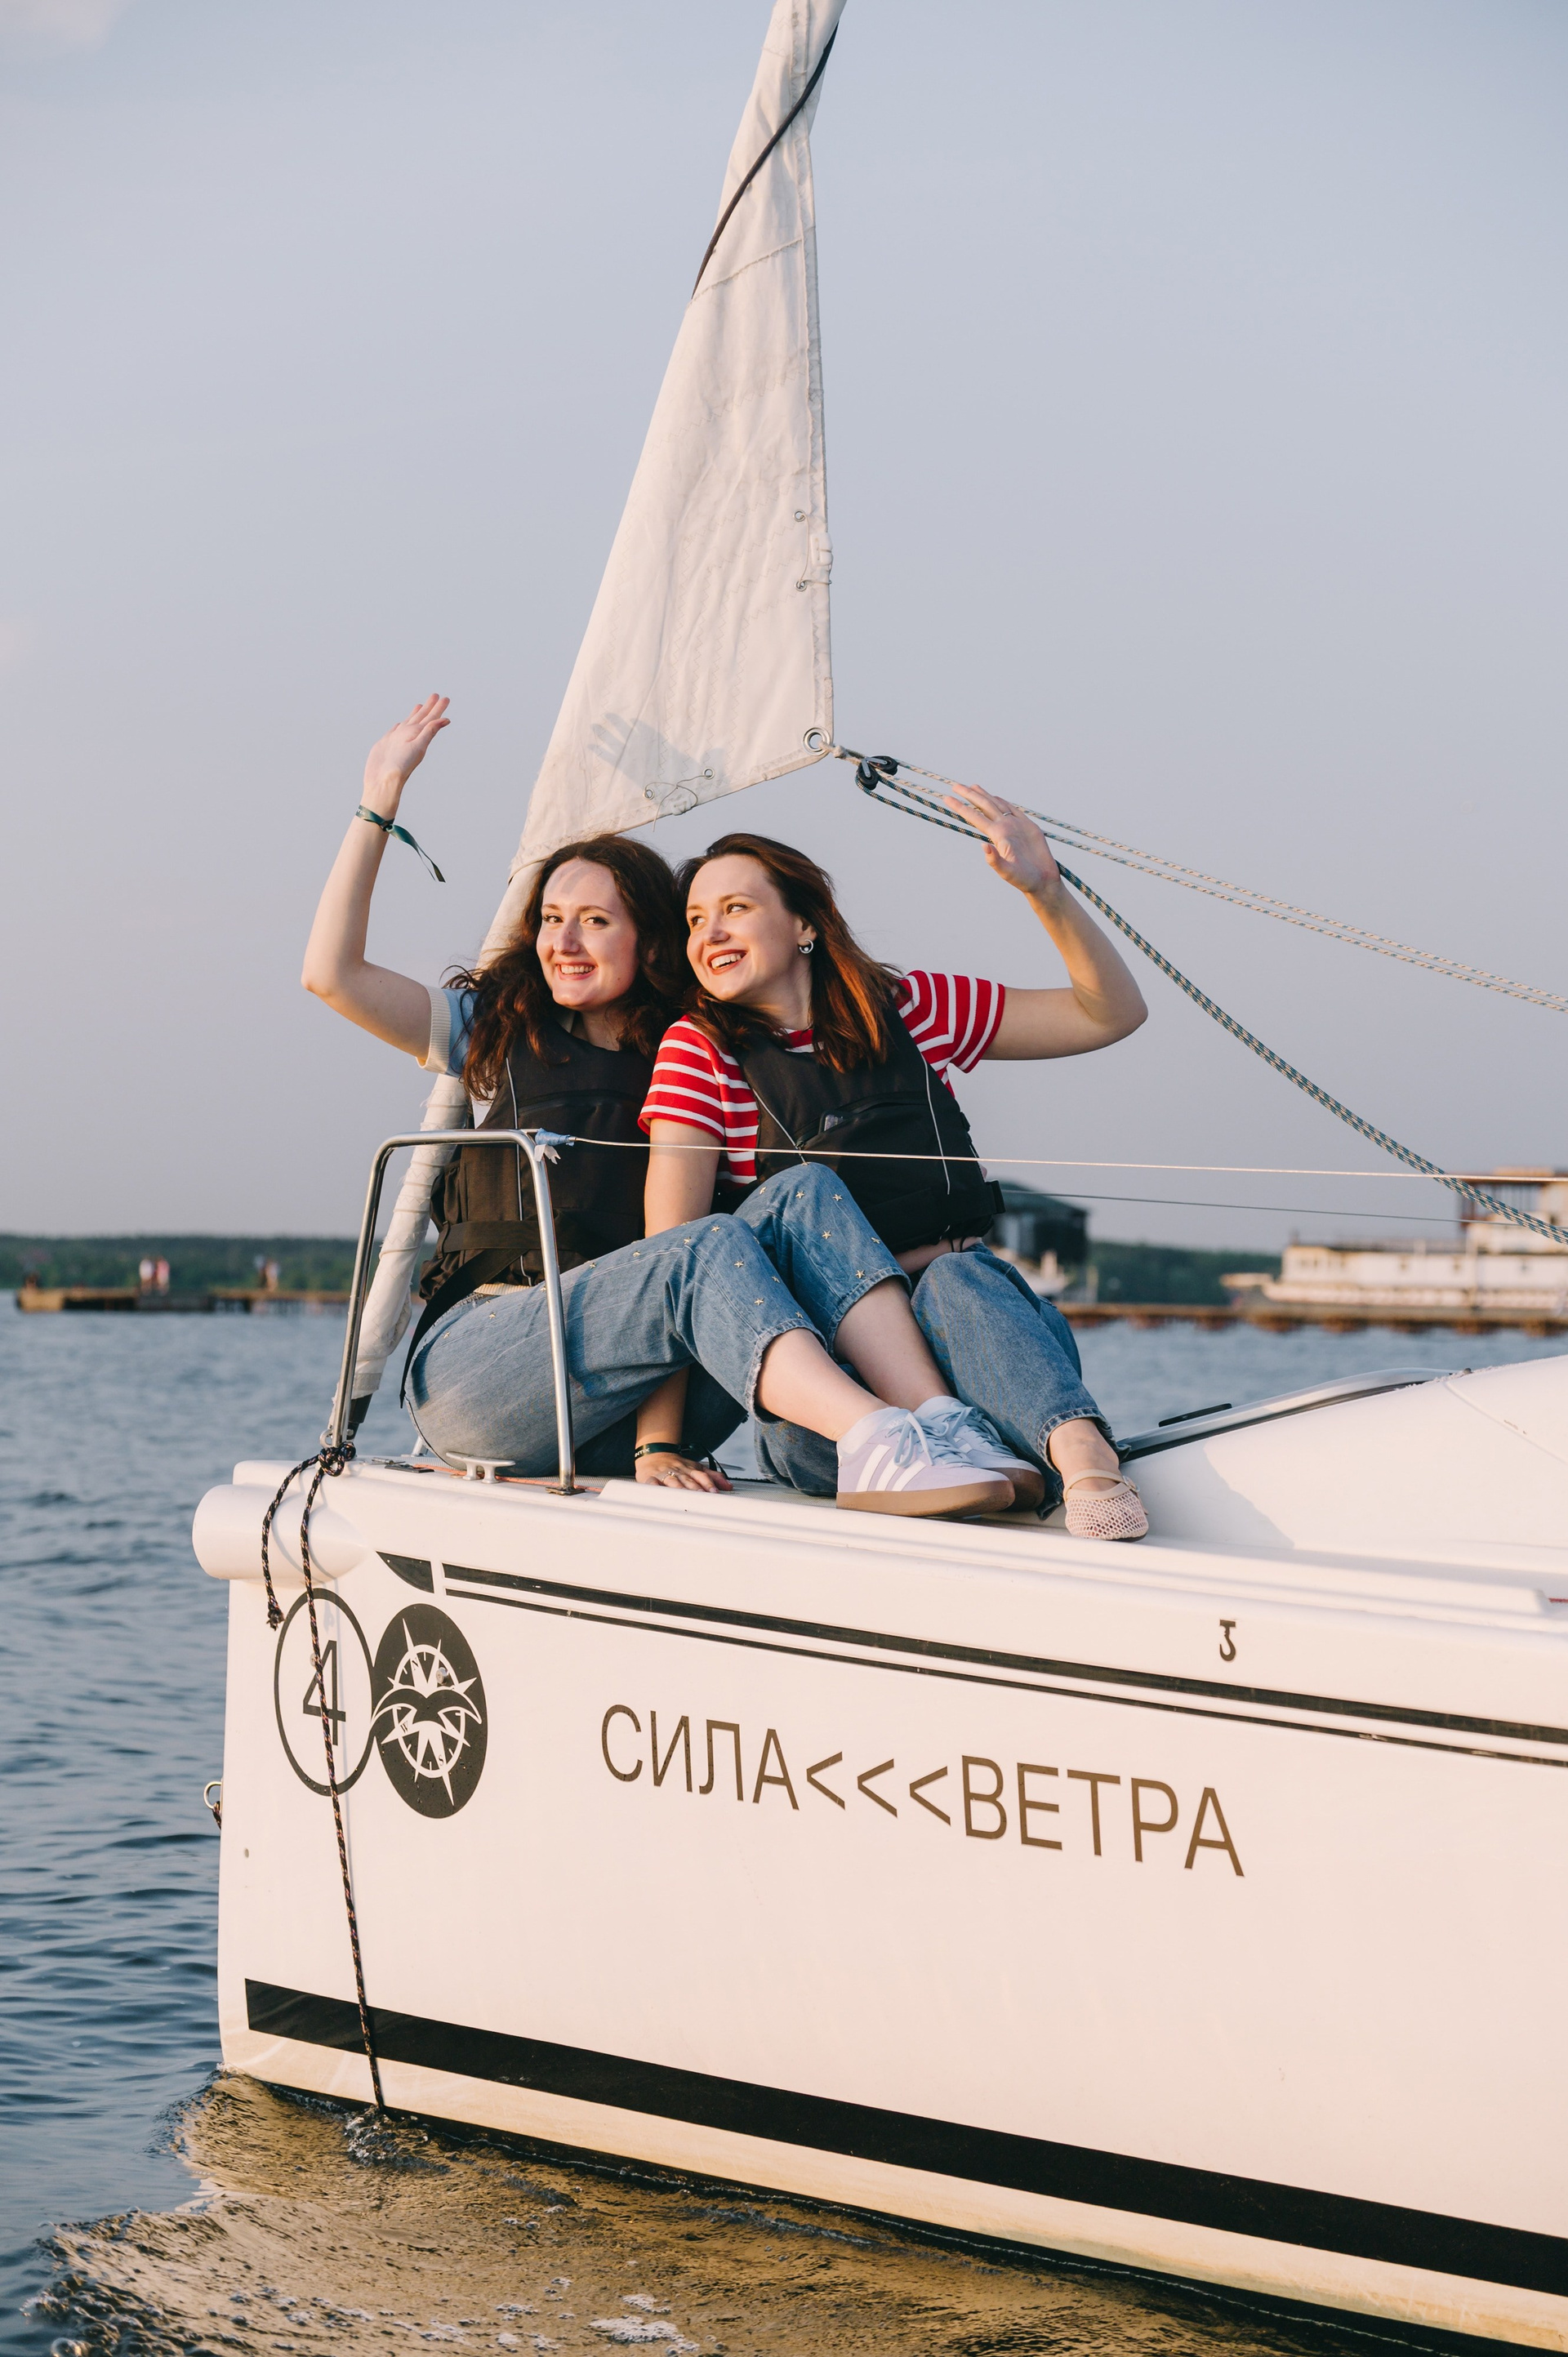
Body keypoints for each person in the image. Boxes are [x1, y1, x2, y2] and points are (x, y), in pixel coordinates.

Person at [300, 697, 1020, 1517]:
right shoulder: (492, 1034)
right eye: (551, 921)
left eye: (593, 921)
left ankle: (948, 1433)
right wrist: (378, 803)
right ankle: (885, 1438)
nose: (563, 943)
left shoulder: (702, 1057)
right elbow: (331, 975)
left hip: (637, 1404)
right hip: (490, 1373)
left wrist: (660, 1441)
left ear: (649, 940)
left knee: (800, 1196)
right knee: (703, 1245)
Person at [641, 789, 1152, 1539]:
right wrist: (658, 1442)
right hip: (845, 1401)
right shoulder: (699, 1050)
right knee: (811, 1213)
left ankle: (1081, 1455)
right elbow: (675, 1259)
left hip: (982, 1341)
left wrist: (1046, 892)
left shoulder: (914, 1009)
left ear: (806, 924)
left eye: (736, 909)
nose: (709, 932)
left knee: (956, 1280)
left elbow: (1110, 1013)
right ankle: (997, 1450)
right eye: (694, 919)